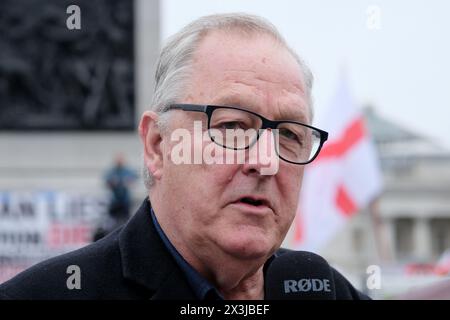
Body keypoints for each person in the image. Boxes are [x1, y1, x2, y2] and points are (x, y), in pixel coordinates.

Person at [0, 13, 368, 300]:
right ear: (157, 146)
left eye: (289, 134)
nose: (266, 161)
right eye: (232, 127)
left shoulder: (322, 289)